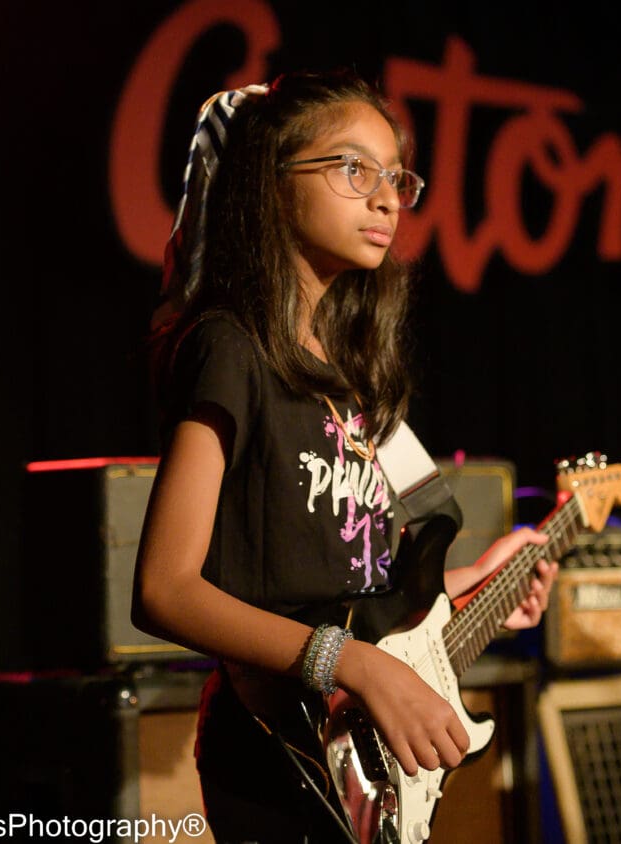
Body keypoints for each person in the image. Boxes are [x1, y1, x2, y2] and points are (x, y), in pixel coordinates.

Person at [131, 69, 557, 843]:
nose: (388, 198)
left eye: (396, 176)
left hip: (360, 765)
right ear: (271, 183)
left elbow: (358, 598)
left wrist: (483, 581)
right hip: (279, 758)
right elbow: (164, 587)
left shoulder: (351, 380)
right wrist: (349, 666)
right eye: (354, 169)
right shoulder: (231, 348)